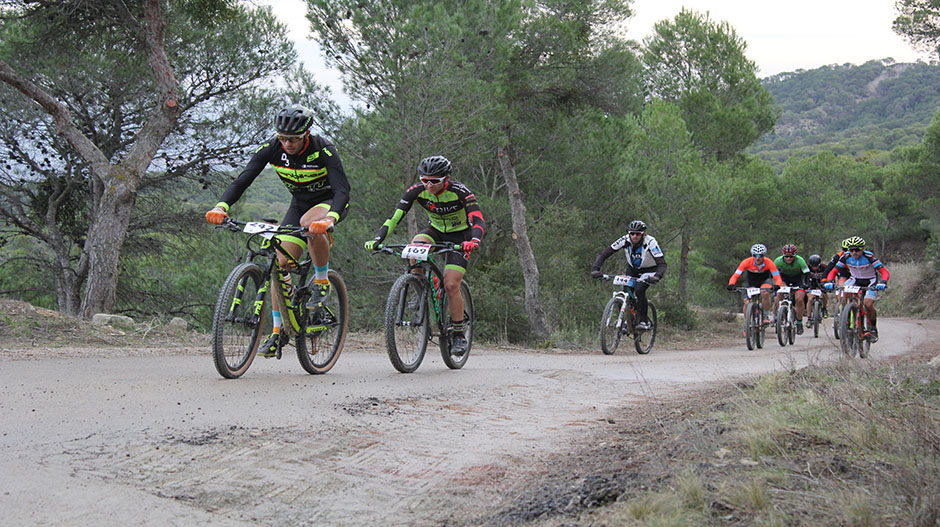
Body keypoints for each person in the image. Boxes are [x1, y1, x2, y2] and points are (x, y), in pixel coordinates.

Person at [206, 104, 351, 357]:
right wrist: (221, 206)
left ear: (306, 134)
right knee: (279, 262)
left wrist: (330, 219)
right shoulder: (272, 148)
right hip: (299, 204)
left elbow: (342, 189)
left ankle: (322, 280)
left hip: (329, 203)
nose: (287, 144)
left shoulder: (322, 148)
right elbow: (244, 179)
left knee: (311, 225)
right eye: (282, 138)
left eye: (293, 139)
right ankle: (277, 332)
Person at [364, 156, 484, 357]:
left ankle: (458, 333)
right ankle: (419, 288)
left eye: (434, 181)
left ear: (446, 178)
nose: (429, 185)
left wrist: (475, 240)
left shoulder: (460, 192)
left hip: (460, 236)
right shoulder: (416, 191)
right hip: (435, 231)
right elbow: (395, 217)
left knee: (451, 285)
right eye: (424, 180)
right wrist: (378, 238)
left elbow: (477, 219)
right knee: (414, 246)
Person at [590, 220, 666, 331]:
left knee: (639, 290)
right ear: (629, 233)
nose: (634, 236)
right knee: (625, 291)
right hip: (633, 269)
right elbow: (604, 254)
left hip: (650, 269)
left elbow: (662, 263)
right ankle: (627, 320)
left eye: (638, 234)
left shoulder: (651, 242)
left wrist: (657, 276)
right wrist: (595, 269)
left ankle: (643, 321)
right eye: (632, 233)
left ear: (644, 234)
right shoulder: (624, 240)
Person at [823, 236, 890, 342]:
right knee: (844, 292)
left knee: (868, 304)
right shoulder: (845, 256)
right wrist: (829, 281)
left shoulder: (869, 257)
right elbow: (834, 271)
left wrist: (883, 282)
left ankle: (873, 328)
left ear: (863, 249)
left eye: (857, 249)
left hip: (870, 281)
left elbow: (884, 272)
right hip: (855, 279)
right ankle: (847, 318)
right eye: (851, 250)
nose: (854, 252)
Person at [727, 243, 783, 324]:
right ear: (752, 255)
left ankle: (765, 315)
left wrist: (777, 285)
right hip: (751, 282)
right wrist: (731, 284)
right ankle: (747, 324)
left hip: (765, 281)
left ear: (764, 255)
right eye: (755, 255)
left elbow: (777, 277)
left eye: (760, 255)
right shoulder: (746, 262)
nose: (757, 258)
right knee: (746, 302)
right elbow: (735, 275)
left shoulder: (769, 262)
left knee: (765, 293)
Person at [773, 244, 810, 334]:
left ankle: (800, 322)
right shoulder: (778, 261)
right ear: (783, 255)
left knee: (799, 299)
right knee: (779, 294)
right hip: (784, 279)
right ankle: (778, 314)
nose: (788, 259)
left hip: (798, 280)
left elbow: (807, 274)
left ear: (795, 255)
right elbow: (772, 273)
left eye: (791, 256)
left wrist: (806, 284)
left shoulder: (800, 260)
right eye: (786, 256)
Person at [805, 253, 830, 318]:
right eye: (812, 266)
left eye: (816, 266)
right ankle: (809, 317)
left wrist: (829, 283)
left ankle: (824, 308)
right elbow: (803, 277)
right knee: (810, 299)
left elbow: (829, 276)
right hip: (811, 284)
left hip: (821, 283)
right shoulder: (806, 267)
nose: (814, 268)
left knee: (824, 295)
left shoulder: (824, 267)